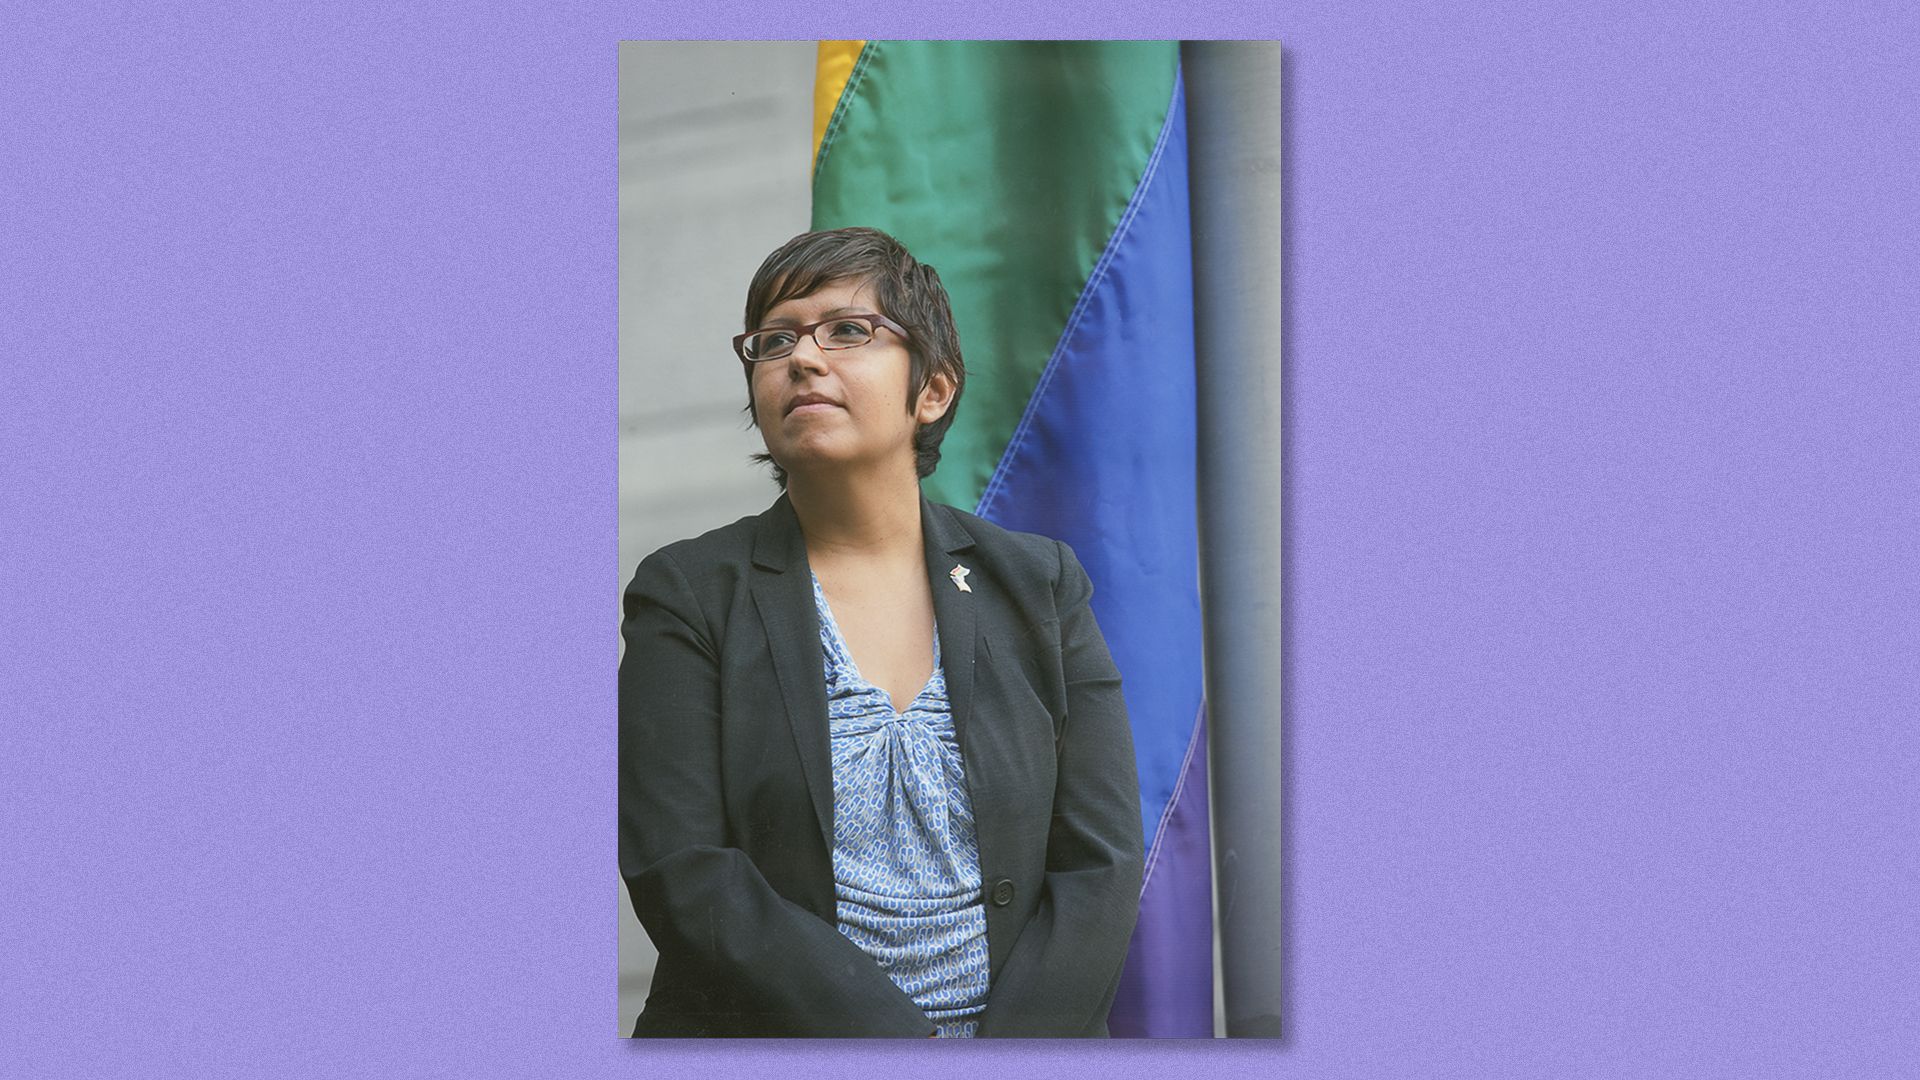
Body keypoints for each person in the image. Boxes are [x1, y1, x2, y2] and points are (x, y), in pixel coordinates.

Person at [619, 226, 1143, 1038]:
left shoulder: (1039, 583)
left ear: (931, 391)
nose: (802, 357)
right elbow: (684, 871)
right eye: (775, 339)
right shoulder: (687, 592)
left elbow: (1100, 865)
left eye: (848, 330)